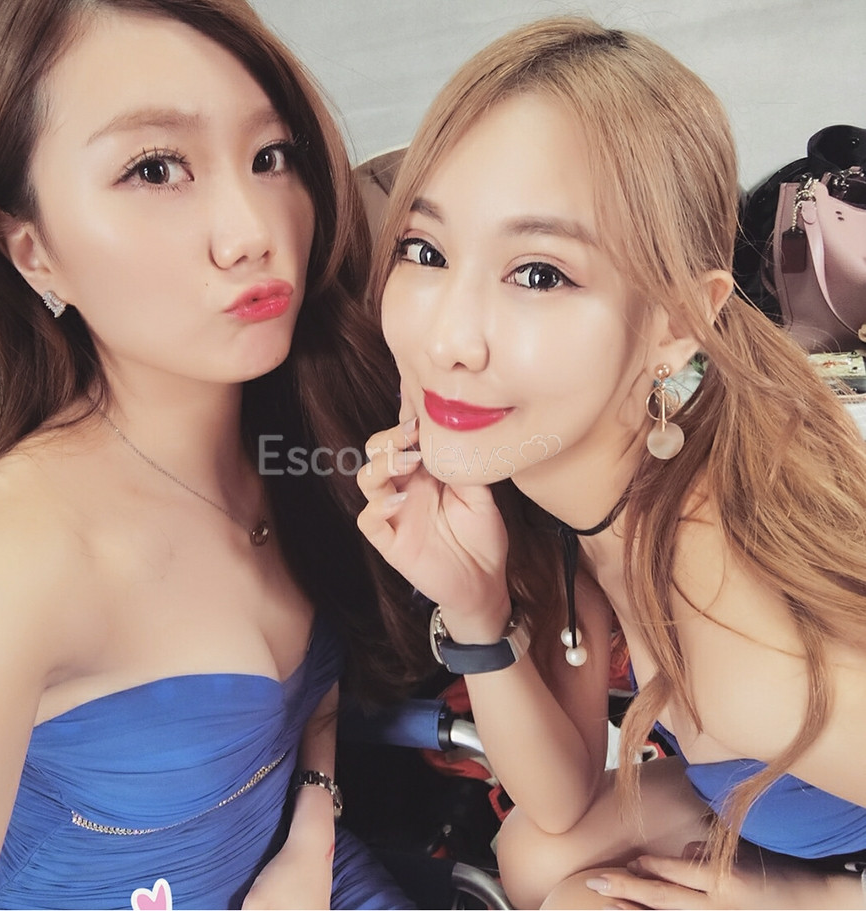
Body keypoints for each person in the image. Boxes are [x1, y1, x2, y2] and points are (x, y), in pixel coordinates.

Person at [357, 16, 866, 910]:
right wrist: (473, 607)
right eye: (425, 251)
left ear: (677, 322)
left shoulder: (744, 647)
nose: (445, 339)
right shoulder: (565, 487)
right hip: (776, 800)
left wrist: (816, 901)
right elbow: (556, 800)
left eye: (539, 274)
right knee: (541, 858)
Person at [0, 0, 411, 907]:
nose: (251, 231)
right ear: (33, 252)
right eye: (155, 168)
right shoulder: (0, 569)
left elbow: (313, 698)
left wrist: (311, 828)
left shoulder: (301, 441)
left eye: (270, 156)